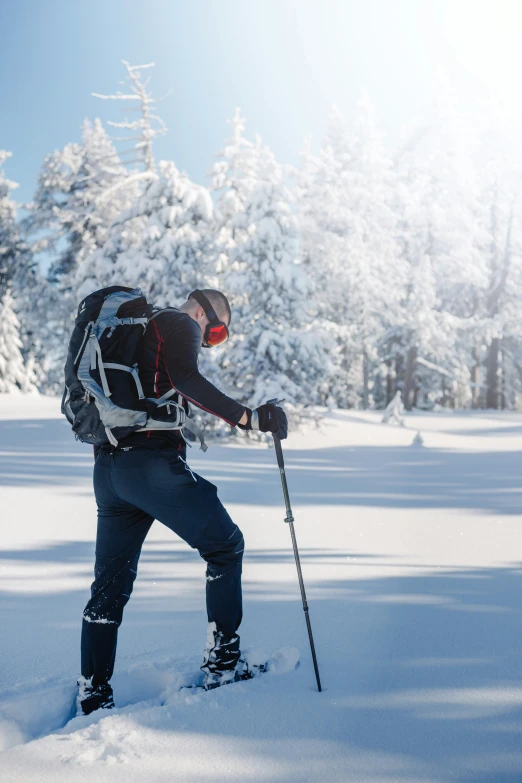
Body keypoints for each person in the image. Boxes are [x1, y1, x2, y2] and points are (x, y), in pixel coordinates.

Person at [78, 289, 288, 715]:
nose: (208, 341)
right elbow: (187, 379)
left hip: (110, 470)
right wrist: (251, 418)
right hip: (152, 466)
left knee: (109, 587)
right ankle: (223, 665)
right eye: (215, 332)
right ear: (204, 313)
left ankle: (93, 692)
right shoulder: (178, 322)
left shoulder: (135, 333)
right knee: (226, 546)